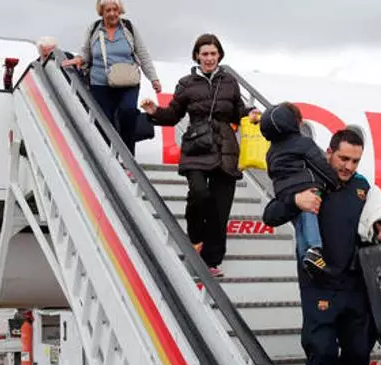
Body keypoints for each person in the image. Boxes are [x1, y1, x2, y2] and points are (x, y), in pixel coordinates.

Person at [262, 129, 381, 365]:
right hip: (318, 284)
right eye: (343, 158)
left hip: (355, 283)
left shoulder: (362, 187)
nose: (348, 166)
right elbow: (270, 215)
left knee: (359, 350)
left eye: (355, 161)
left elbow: (374, 216)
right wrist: (295, 201)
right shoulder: (308, 181)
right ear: (329, 152)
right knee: (322, 353)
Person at [140, 33, 260, 278]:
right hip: (197, 146)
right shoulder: (186, 83)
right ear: (197, 56)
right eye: (204, 54)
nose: (209, 58)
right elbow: (173, 115)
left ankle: (210, 262)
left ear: (219, 56)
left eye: (213, 53)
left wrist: (250, 113)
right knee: (199, 194)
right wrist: (155, 112)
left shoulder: (229, 82)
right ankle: (195, 237)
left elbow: (238, 111)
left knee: (220, 211)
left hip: (225, 149)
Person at [61, 0, 161, 157]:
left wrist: (154, 79)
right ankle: (108, 158)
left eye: (115, 9)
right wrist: (78, 59)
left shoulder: (128, 28)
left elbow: (143, 54)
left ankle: (127, 155)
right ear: (101, 12)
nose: (112, 13)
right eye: (108, 10)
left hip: (128, 81)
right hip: (100, 83)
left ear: (120, 11)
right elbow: (86, 52)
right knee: (104, 122)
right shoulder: (94, 29)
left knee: (128, 111)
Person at [260, 102, 339, 276]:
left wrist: (288, 196)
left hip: (284, 191)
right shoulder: (303, 143)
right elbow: (319, 165)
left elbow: (272, 173)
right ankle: (314, 248)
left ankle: (307, 258)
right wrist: (334, 182)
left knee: (299, 221)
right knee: (309, 212)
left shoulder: (270, 152)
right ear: (294, 123)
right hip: (305, 184)